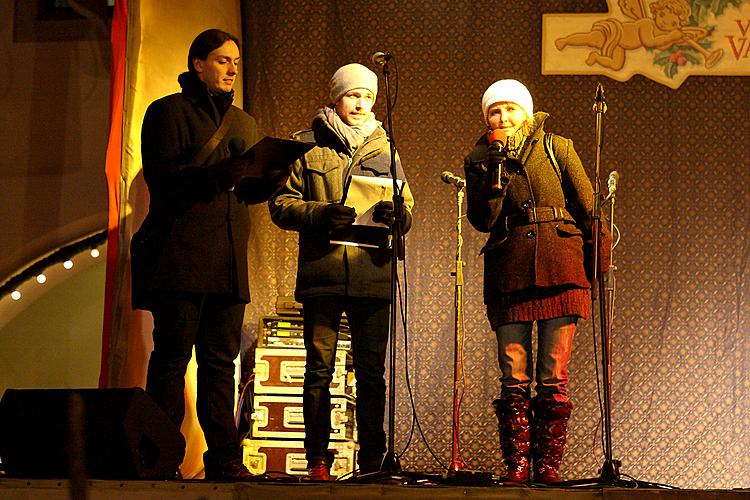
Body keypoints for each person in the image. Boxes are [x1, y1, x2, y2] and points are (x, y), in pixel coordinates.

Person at [131, 29, 282, 481]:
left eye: (236, 60)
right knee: (172, 360)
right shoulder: (167, 112)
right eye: (222, 60)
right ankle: (161, 459)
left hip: (229, 260)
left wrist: (269, 179)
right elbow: (164, 179)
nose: (232, 68)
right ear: (198, 63)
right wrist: (219, 173)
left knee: (221, 364)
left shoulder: (246, 122)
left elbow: (245, 192)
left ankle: (225, 460)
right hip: (178, 257)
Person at [268, 63, 414, 481]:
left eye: (368, 96)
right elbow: (280, 205)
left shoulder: (388, 148)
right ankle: (317, 459)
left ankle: (373, 458)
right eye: (353, 95)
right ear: (336, 97)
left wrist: (396, 214)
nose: (361, 103)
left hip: (373, 273)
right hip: (324, 273)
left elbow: (409, 208)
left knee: (372, 372)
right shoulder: (307, 145)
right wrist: (319, 213)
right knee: (318, 368)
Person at [462, 79, 610, 483]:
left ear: (526, 112)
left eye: (511, 109)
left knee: (553, 373)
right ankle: (517, 466)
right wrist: (496, 170)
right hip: (509, 270)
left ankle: (547, 469)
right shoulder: (479, 158)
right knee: (513, 373)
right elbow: (482, 221)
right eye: (495, 111)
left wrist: (598, 266)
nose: (503, 117)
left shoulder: (556, 146)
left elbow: (587, 206)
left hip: (562, 268)